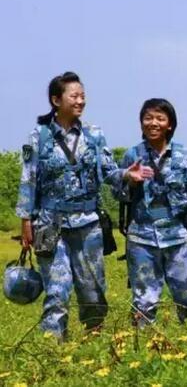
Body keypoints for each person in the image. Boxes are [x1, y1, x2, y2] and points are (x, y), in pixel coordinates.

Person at [16, 72, 153, 341]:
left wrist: (127, 174)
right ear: (56, 100)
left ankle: (94, 340)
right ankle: (53, 348)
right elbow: (28, 180)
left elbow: (109, 172)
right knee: (57, 290)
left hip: (88, 223)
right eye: (74, 96)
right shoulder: (38, 136)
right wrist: (25, 221)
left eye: (83, 96)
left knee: (93, 289)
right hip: (49, 224)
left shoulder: (94, 135)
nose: (81, 101)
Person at [114, 98, 187, 326]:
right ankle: (142, 348)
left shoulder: (185, 156)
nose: (154, 123)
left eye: (160, 118)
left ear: (170, 124)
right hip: (141, 238)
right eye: (148, 118)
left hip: (178, 237)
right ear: (141, 123)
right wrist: (129, 180)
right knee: (143, 300)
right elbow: (118, 195)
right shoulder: (133, 155)